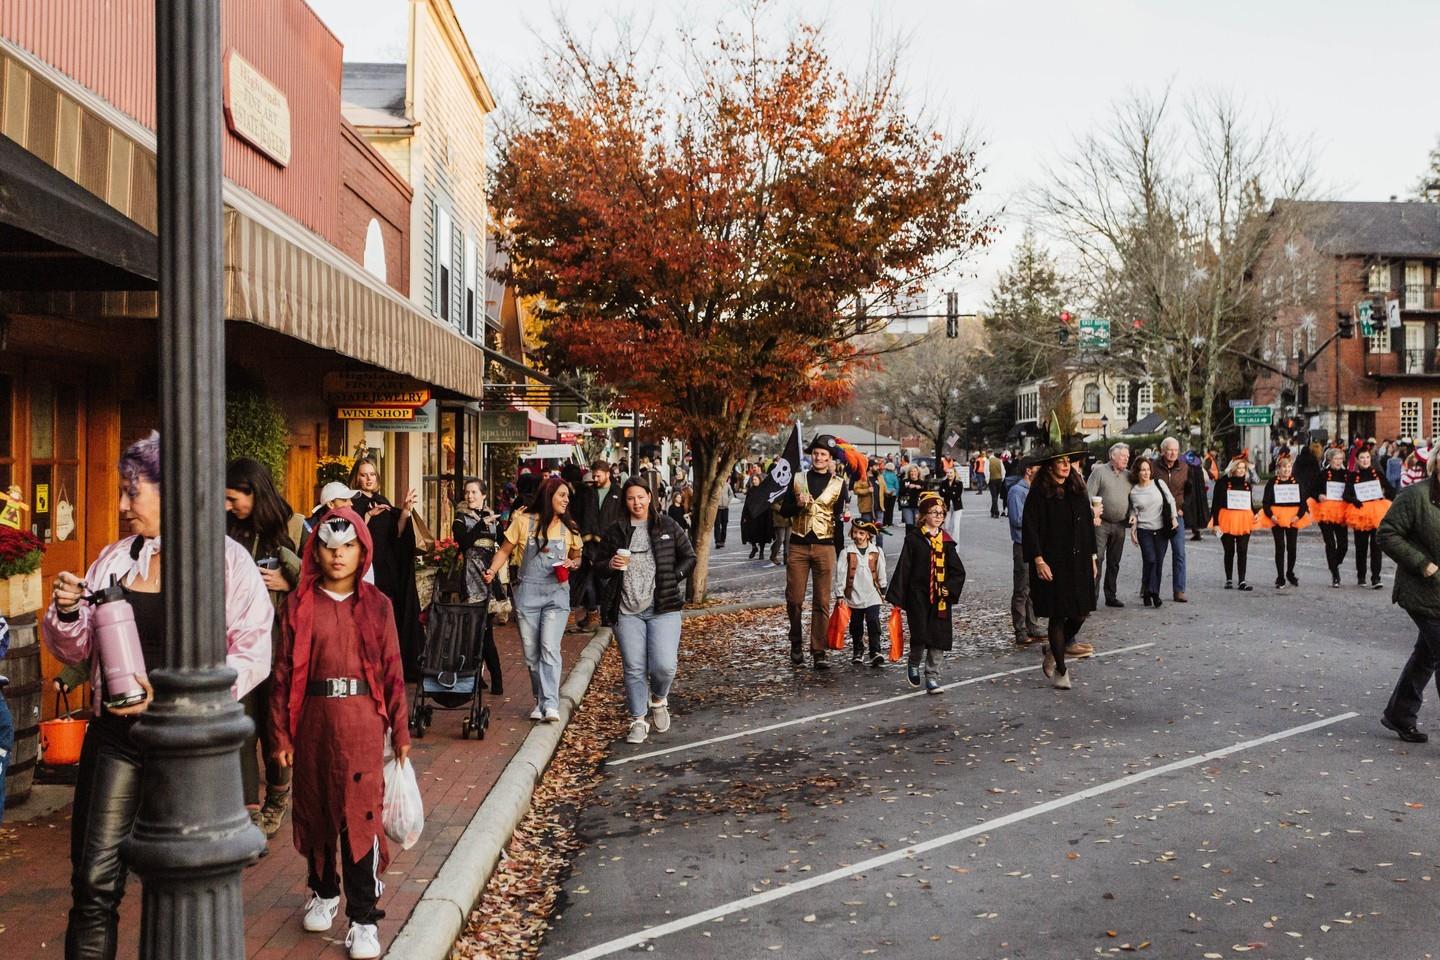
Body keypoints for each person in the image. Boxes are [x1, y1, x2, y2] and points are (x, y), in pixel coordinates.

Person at [44, 431, 272, 960]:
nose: (124, 505)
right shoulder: (114, 560)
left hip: (188, 744)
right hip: (116, 738)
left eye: (133, 492)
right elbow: (79, 648)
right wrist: (69, 612)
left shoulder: (227, 562)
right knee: (93, 883)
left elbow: (254, 650)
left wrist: (179, 697)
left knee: (182, 883)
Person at [270, 510, 409, 960]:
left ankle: (364, 918)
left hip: (363, 723)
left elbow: (393, 671)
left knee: (359, 816)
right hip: (313, 722)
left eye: (348, 546)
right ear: (317, 550)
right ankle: (324, 890)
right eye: (330, 546)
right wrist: (280, 736)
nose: (338, 555)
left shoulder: (378, 605)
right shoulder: (298, 605)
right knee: (316, 810)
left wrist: (401, 731)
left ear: (362, 550)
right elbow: (281, 675)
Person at [225, 457, 302, 840]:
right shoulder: (227, 531)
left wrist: (290, 581)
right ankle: (248, 811)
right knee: (241, 726)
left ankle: (277, 796)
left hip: (279, 645)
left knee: (275, 728)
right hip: (237, 646)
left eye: (233, 498)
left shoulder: (293, 526)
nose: (228, 506)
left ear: (254, 492)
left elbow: (322, 580)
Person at [597, 479, 696, 744]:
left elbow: (690, 557)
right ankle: (638, 719)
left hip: (663, 606)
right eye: (631, 498)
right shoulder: (616, 530)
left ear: (650, 497)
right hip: (626, 609)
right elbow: (597, 565)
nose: (636, 503)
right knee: (634, 666)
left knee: (664, 666)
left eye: (641, 497)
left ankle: (659, 698)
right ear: (625, 501)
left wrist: (673, 577)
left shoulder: (667, 525)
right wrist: (610, 564)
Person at [482, 477, 583, 722]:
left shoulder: (569, 527)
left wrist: (573, 563)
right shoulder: (523, 521)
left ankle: (551, 703)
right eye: (562, 495)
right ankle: (540, 699)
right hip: (528, 593)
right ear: (548, 495)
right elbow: (504, 550)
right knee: (531, 652)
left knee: (549, 647)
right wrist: (492, 571)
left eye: (567, 496)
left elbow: (577, 556)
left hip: (557, 594)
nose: (566, 500)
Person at [1021, 449, 1098, 690]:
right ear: (1050, 466)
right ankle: (1061, 670)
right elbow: (1030, 528)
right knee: (1058, 613)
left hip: (1079, 559)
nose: (1066, 466)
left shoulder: (1077, 487)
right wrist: (1038, 560)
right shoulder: (1039, 492)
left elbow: (1087, 525)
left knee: (1081, 611)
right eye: (1060, 462)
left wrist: (1093, 557)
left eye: (1068, 462)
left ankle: (1054, 649)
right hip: (1053, 561)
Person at [1378, 452, 1440, 743]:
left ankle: (1399, 714)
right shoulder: (1416, 496)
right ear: (1435, 463)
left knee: (1426, 655)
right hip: (1422, 590)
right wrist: (1422, 563)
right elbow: (1387, 534)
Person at [348, 458, 424, 680]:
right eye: (364, 474)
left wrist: (405, 511)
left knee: (388, 615)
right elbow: (352, 534)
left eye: (372, 474)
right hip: (366, 567)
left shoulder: (382, 501)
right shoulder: (353, 503)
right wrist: (367, 516)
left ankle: (388, 663)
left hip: (387, 568)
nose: (369, 479)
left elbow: (397, 533)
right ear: (356, 477)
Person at [780, 435, 849, 668]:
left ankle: (819, 650)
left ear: (830, 459)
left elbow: (839, 520)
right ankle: (796, 642)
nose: (819, 458)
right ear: (811, 456)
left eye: (823, 455)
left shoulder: (839, 484)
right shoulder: (798, 479)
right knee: (794, 599)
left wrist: (840, 552)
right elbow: (784, 511)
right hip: (798, 545)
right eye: (816, 454)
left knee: (822, 601)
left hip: (825, 546)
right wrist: (797, 504)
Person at [886, 492, 964, 693]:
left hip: (940, 598)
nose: (938, 516)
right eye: (933, 512)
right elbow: (904, 567)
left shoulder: (946, 542)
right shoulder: (914, 539)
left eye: (941, 513)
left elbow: (958, 571)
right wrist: (897, 597)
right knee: (920, 633)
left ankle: (932, 676)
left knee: (938, 637)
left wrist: (949, 588)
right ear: (923, 515)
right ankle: (914, 662)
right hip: (918, 596)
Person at [452, 478, 503, 693]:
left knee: (483, 630)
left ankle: (488, 679)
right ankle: (488, 679)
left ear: (483, 495)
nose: (469, 496)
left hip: (489, 578)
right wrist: (481, 524)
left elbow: (503, 544)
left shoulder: (493, 517)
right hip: (470, 580)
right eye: (467, 492)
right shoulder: (460, 518)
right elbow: (463, 543)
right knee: (478, 631)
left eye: (474, 492)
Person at [572, 461, 624, 631]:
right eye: (593, 476)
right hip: (588, 544)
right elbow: (581, 515)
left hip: (610, 544)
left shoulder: (618, 493)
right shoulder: (588, 493)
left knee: (604, 581)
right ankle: (594, 613)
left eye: (598, 476)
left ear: (607, 474)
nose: (595, 479)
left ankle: (603, 614)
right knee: (588, 580)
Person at [835, 520, 889, 666]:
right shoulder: (847, 553)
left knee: (873, 621)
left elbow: (881, 571)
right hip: (854, 595)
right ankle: (858, 650)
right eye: (855, 532)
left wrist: (883, 588)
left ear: (868, 535)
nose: (858, 536)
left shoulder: (876, 551)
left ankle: (875, 651)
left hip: (872, 594)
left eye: (861, 533)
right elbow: (841, 574)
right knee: (856, 624)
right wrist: (840, 594)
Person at [1087, 442, 1133, 609]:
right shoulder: (1100, 472)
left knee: (1114, 561)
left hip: (1120, 524)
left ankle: (1111, 596)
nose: (1126, 459)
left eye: (1128, 457)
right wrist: (1093, 514)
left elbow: (1133, 498)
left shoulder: (1128, 476)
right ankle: (1091, 597)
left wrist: (1132, 514)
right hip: (1101, 523)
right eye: (1123, 456)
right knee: (1097, 559)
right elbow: (1088, 495)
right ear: (1112, 456)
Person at [1127, 456, 1177, 608]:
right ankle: (1152, 592)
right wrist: (1133, 523)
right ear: (1137, 472)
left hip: (1161, 529)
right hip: (1144, 530)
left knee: (1158, 562)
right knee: (1150, 559)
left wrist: (1173, 517)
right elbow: (1133, 511)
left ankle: (1151, 592)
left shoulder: (1158, 483)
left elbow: (1171, 500)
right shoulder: (1134, 492)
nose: (1146, 473)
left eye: (1148, 469)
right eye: (1142, 470)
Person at [1256, 452, 1309, 589]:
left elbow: (1303, 502)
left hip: (1293, 516)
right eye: (1284, 467)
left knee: (1292, 547)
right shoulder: (1272, 482)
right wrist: (1271, 516)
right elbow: (1266, 502)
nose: (1287, 470)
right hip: (1277, 517)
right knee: (1280, 546)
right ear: (1278, 469)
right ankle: (1280, 577)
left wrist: (1298, 516)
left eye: (1289, 467)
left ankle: (1290, 572)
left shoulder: (1296, 481)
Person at [1152, 438, 1195, 602]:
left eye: (1176, 450)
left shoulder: (1184, 467)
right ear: (1163, 451)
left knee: (1179, 553)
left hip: (1177, 515)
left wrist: (1184, 507)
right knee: (1158, 554)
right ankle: (1151, 588)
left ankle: (1179, 590)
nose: (1173, 453)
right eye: (1170, 450)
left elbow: (1190, 490)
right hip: (1158, 515)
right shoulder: (1153, 466)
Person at [1007, 456, 1044, 646]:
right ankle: (1020, 629)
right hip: (1022, 545)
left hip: (1036, 545)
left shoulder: (1036, 490)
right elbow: (1017, 519)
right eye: (1038, 467)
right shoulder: (1017, 491)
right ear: (1029, 470)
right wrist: (1041, 521)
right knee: (1021, 588)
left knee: (1034, 588)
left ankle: (1033, 625)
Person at [1346, 447, 1393, 590]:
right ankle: (1361, 576)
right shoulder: (1353, 476)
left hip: (1377, 513)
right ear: (1357, 460)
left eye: (1367, 457)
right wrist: (1354, 500)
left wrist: (1384, 495)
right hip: (1360, 514)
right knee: (1361, 547)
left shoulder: (1377, 474)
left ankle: (1376, 577)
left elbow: (1391, 489)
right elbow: (1346, 495)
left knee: (1376, 546)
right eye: (1362, 458)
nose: (1365, 460)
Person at [1211, 454, 1256, 591]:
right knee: (1229, 550)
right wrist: (1216, 523)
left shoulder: (1247, 484)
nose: (1241, 470)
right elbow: (1216, 504)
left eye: (1243, 468)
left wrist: (1255, 515)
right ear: (1233, 468)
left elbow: (1250, 503)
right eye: (1239, 467)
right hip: (1227, 519)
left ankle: (1242, 580)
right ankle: (1229, 579)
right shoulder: (1223, 483)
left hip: (1244, 520)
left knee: (1242, 550)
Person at [1311, 447, 1352, 588]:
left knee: (1343, 545)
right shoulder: (1323, 474)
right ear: (1329, 460)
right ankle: (1335, 574)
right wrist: (1319, 495)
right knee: (1330, 543)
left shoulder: (1347, 475)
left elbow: (1353, 490)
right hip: (1325, 511)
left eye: (1341, 459)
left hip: (1341, 512)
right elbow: (1312, 490)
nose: (1338, 461)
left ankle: (1334, 563)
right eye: (1336, 459)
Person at [740, 473, 775, 560]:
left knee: (761, 535)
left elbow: (767, 503)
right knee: (751, 534)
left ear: (760, 480)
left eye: (755, 479)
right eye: (753, 480)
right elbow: (747, 504)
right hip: (752, 517)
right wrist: (745, 515)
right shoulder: (751, 491)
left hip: (762, 516)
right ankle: (754, 547)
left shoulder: (764, 491)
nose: (754, 481)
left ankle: (761, 552)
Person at [938, 466, 966, 540]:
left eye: (951, 473)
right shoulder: (943, 482)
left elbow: (957, 495)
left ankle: (955, 545)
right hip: (947, 507)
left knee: (955, 526)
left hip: (957, 507)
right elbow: (941, 493)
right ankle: (947, 542)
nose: (949, 474)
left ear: (954, 473)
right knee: (946, 526)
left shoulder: (959, 483)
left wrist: (946, 492)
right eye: (947, 473)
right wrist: (951, 492)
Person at [713, 473, 733, 548]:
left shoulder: (727, 485)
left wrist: (727, 502)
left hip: (725, 508)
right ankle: (717, 541)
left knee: (724, 525)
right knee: (717, 525)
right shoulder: (715, 485)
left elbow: (731, 494)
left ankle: (722, 540)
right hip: (717, 509)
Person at [988, 452, 1006, 518]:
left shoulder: (988, 461)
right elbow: (1003, 471)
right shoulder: (999, 460)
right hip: (999, 479)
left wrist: (987, 481)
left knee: (994, 496)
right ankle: (992, 511)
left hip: (992, 479)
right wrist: (1002, 478)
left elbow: (986, 471)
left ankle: (996, 512)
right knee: (996, 496)